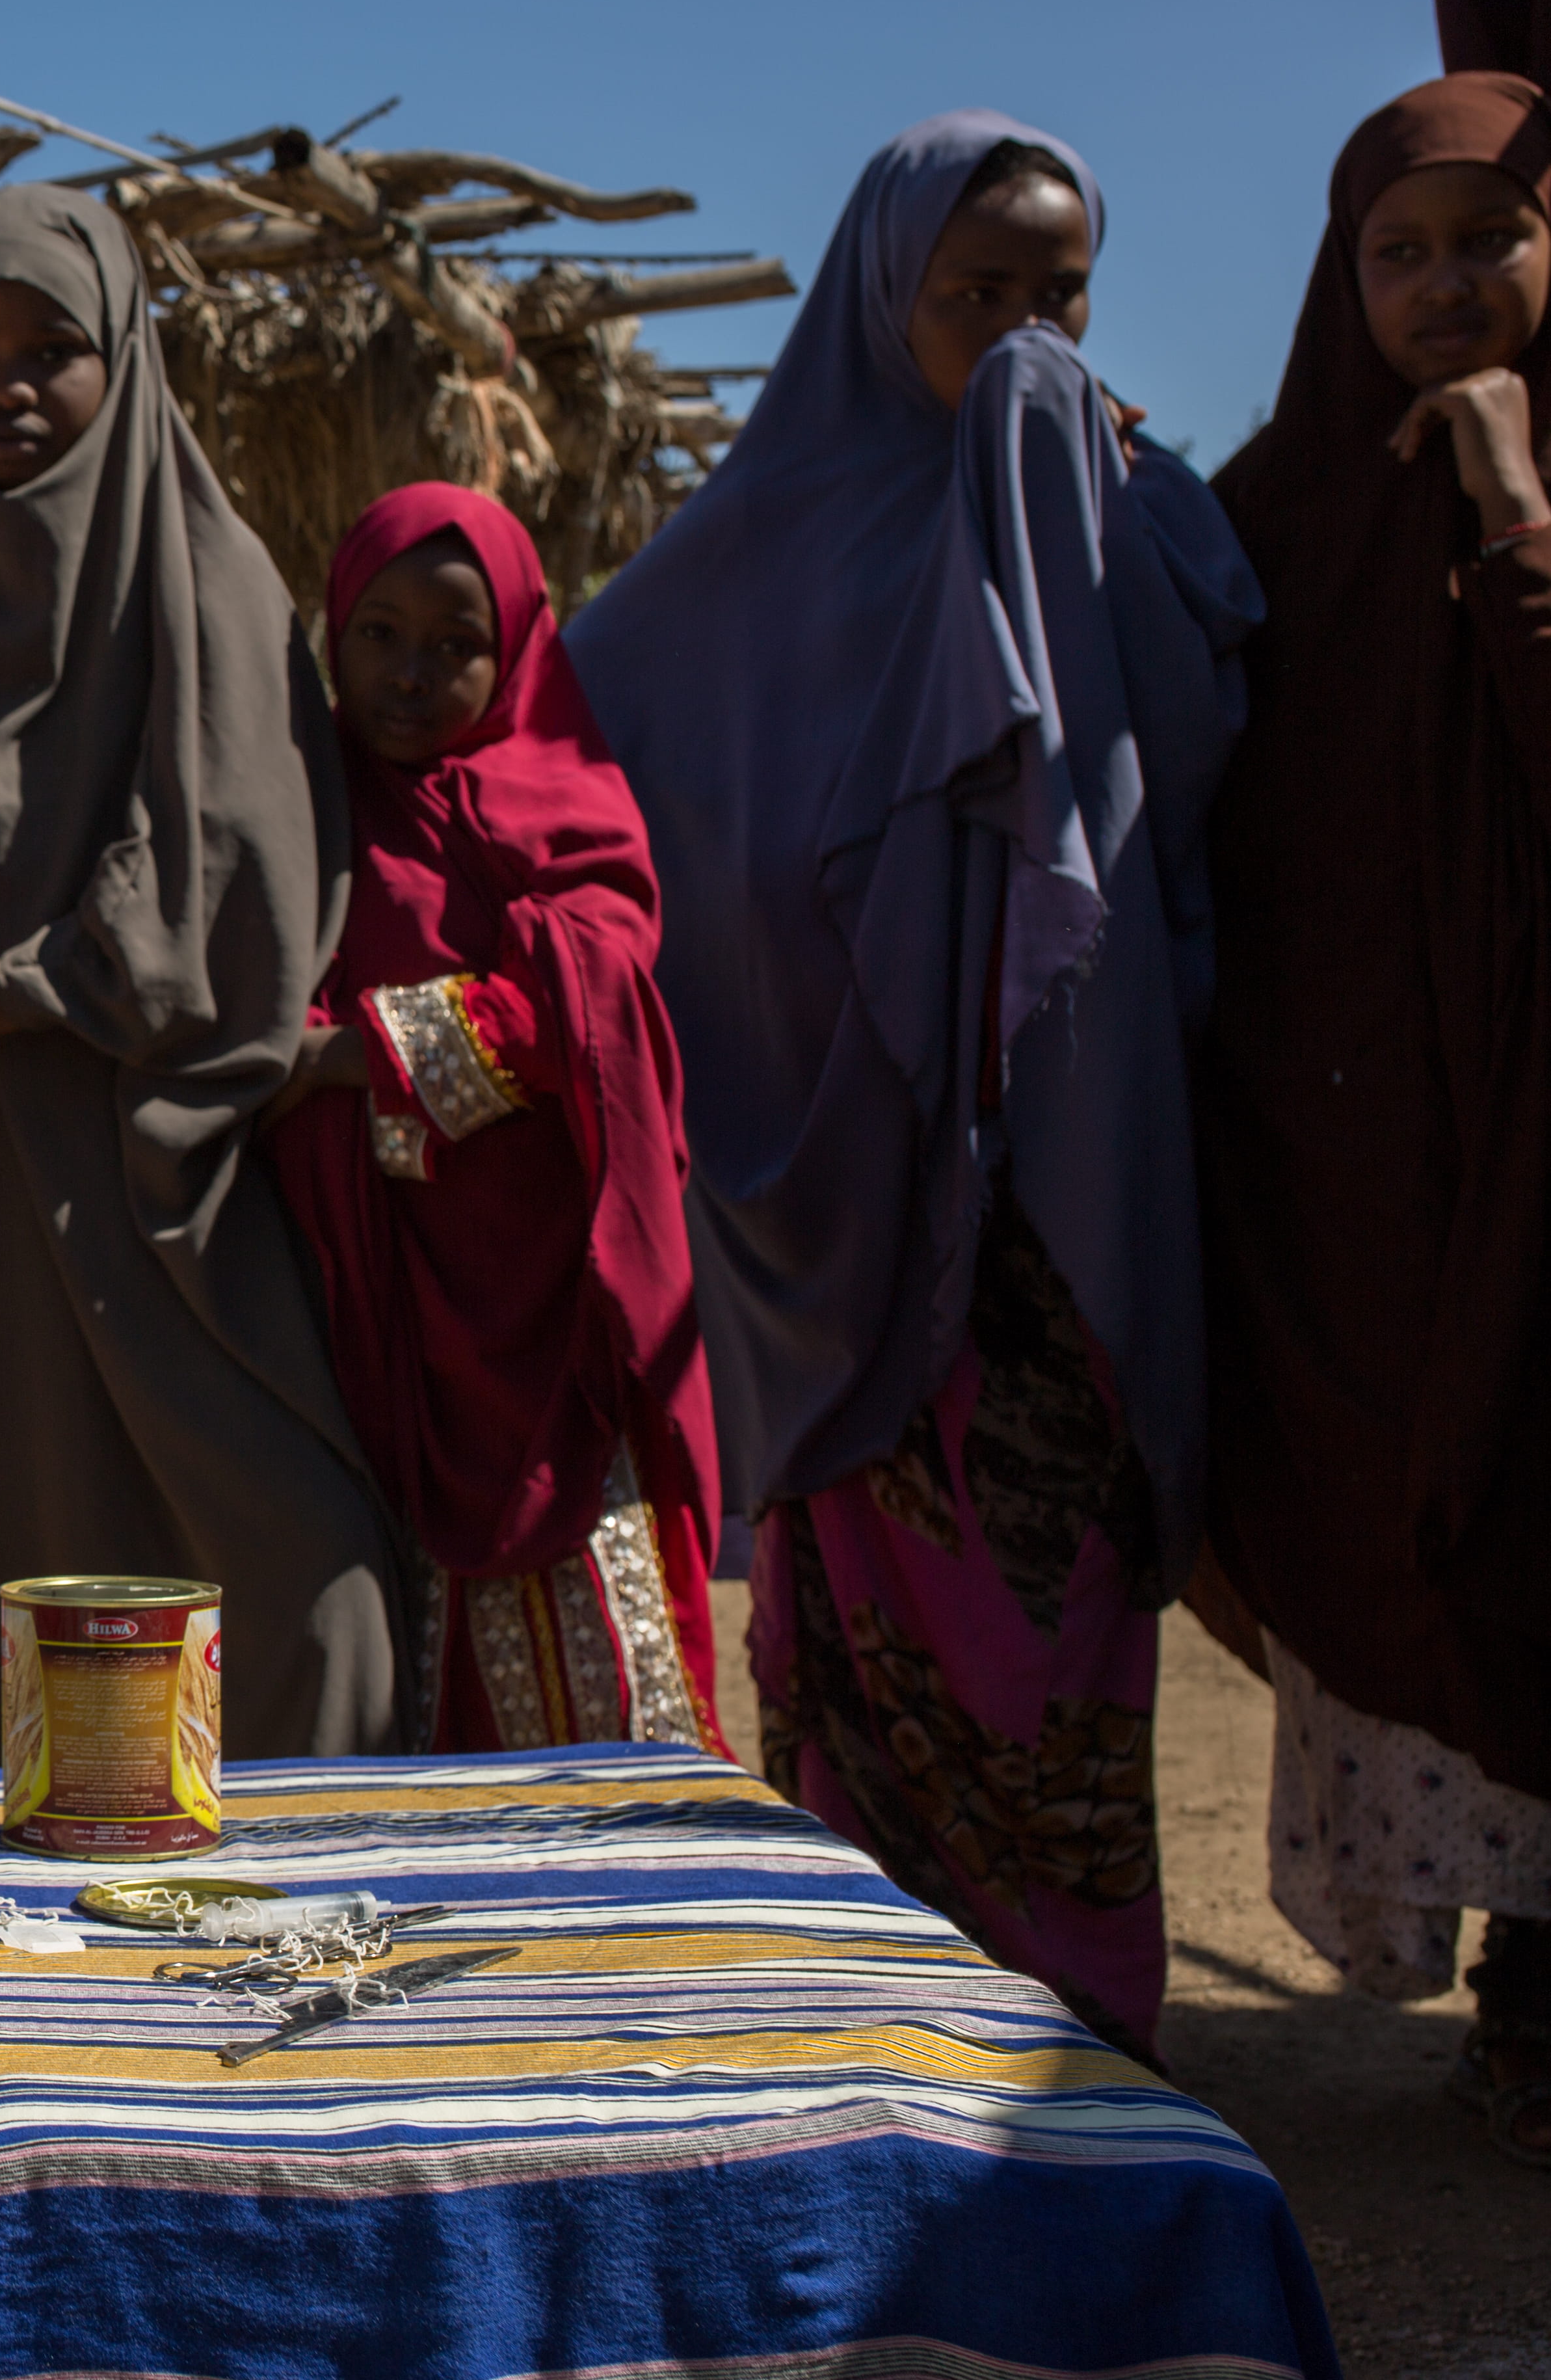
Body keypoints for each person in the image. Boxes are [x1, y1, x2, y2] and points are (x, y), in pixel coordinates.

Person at [567, 113, 1260, 2060]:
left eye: (1064, 297)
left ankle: (1075, 2051)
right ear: (890, 299)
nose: (1027, 336)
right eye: (981, 296)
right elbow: (623, 759)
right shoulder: (763, 556)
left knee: (1056, 1629)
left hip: (1079, 1210)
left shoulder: (1125, 518)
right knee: (868, 1647)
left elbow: (1203, 795)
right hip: (851, 1221)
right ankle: (889, 2031)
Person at [0, 181, 399, 1765]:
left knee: (286, 1549)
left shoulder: (205, 581)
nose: (4, 386)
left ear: (124, 357)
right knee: (20, 1510)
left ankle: (300, 1879)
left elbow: (230, 879)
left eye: (51, 350)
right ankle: (83, 1932)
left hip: (147, 1163)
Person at [1203, 72, 1551, 2169]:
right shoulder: (1279, 513)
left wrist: (1517, 519)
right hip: (1362, 1177)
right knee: (1427, 1524)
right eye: (1397, 251)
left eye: (1489, 239)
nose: (1445, 286)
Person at [267, 484, 721, 1754]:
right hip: (374, 1309)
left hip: (550, 1317)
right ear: (332, 633)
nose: (414, 675)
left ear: (517, 644)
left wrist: (357, 1056)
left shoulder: (566, 804)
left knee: (605, 1701)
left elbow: (594, 1006)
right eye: (381, 634)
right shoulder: (297, 809)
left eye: (457, 644)